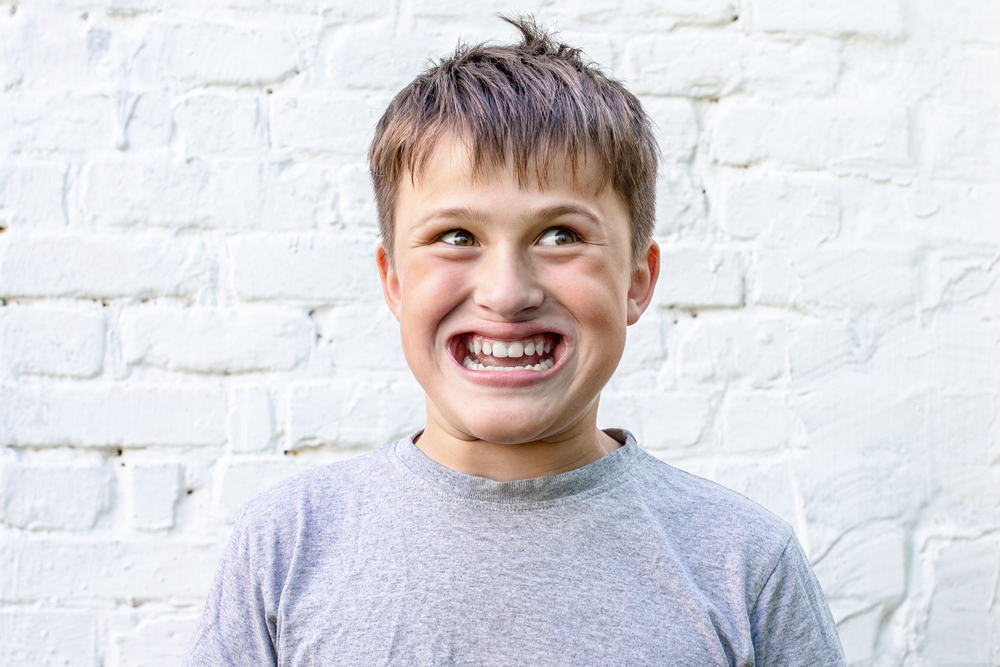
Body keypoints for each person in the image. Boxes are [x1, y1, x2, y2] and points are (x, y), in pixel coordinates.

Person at [183, 16, 846, 666]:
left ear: (638, 280)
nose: (506, 292)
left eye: (561, 235)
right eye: (457, 237)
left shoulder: (746, 565)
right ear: (393, 281)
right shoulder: (288, 547)